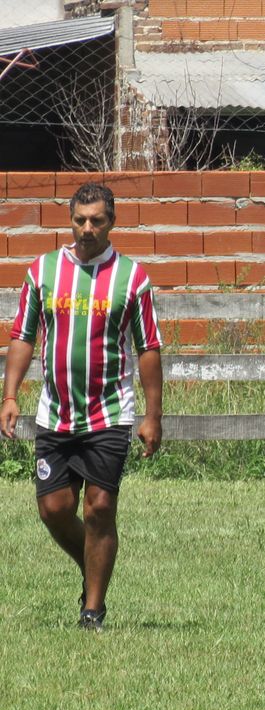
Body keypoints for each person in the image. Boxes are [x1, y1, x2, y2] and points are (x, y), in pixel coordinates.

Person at [1, 182, 163, 632]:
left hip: (110, 412)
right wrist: (10, 395)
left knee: (98, 508)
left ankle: (93, 610)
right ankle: (92, 563)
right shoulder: (43, 271)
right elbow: (23, 336)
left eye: (97, 220)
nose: (87, 228)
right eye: (80, 220)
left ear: (112, 222)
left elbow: (148, 348)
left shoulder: (133, 277)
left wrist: (153, 415)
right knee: (54, 509)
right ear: (69, 220)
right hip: (55, 413)